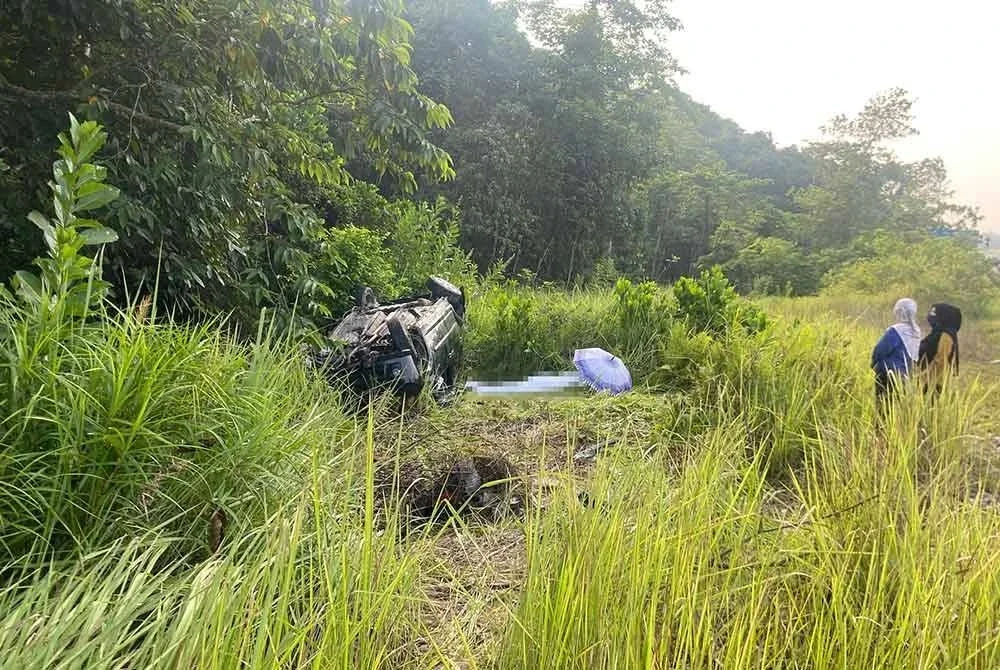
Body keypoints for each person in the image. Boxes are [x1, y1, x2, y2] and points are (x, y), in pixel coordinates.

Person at [871, 298, 921, 414]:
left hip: (887, 374)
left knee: (883, 408)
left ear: (899, 312)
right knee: (899, 408)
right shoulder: (916, 332)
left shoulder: (895, 330)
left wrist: (873, 365)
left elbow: (880, 350)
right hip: (905, 376)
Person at [918, 303, 962, 396]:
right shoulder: (936, 334)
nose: (931, 316)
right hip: (930, 381)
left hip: (935, 383)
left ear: (944, 317)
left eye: (934, 314)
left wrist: (923, 376)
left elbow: (940, 360)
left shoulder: (946, 336)